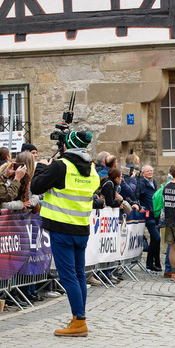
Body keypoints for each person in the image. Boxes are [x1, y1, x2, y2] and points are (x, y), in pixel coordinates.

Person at [31, 131, 100, 337]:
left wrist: (42, 167)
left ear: (66, 145)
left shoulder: (61, 166)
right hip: (81, 228)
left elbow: (36, 186)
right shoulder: (92, 170)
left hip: (61, 228)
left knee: (68, 276)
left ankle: (79, 321)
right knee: (79, 274)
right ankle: (79, 317)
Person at [134, 165, 162, 272]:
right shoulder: (141, 183)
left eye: (151, 170)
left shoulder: (154, 181)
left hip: (156, 213)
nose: (150, 172)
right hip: (148, 214)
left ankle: (155, 262)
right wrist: (141, 207)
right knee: (156, 238)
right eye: (147, 171)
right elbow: (136, 196)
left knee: (157, 239)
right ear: (143, 173)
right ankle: (150, 263)